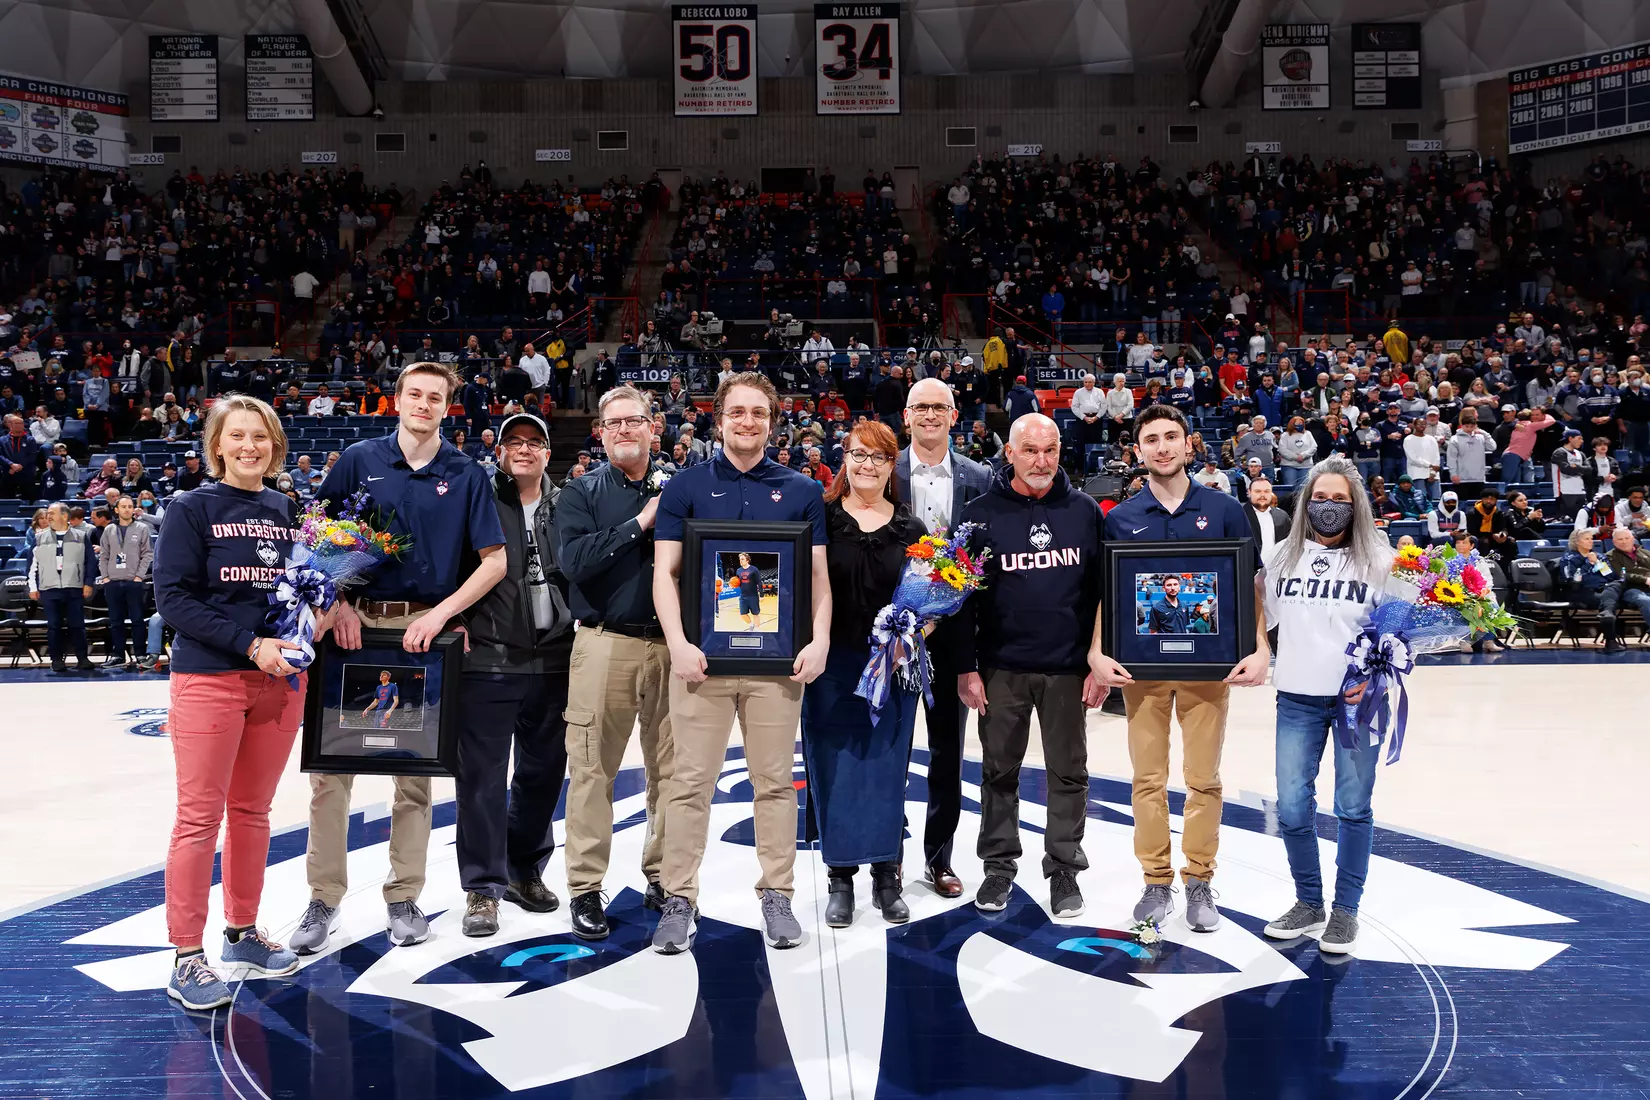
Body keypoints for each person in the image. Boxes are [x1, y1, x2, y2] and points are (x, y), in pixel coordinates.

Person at [291, 362, 508, 955]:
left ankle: (404, 894)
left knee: (415, 774)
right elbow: (313, 537)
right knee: (331, 774)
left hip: (422, 630)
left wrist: (441, 616)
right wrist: (334, 604)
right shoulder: (358, 459)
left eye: (435, 397)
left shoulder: (465, 473)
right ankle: (322, 897)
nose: (423, 404)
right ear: (397, 400)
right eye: (414, 394)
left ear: (448, 407)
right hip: (352, 625)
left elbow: (495, 561)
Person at [152, 395, 330, 1010]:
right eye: (238, 437)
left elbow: (311, 583)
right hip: (212, 678)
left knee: (253, 812)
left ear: (276, 445)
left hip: (279, 682)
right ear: (218, 446)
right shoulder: (190, 508)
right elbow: (173, 600)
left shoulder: (290, 511)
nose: (250, 446)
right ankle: (186, 956)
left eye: (261, 436)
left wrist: (318, 619)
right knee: (199, 817)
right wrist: (249, 643)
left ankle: (242, 931)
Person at [650, 371, 831, 954]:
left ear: (772, 421)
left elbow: (819, 581)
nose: (747, 421)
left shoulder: (802, 490)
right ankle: (679, 898)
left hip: (776, 666)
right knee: (688, 784)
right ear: (719, 418)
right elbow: (666, 574)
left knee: (775, 784)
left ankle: (777, 894)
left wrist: (819, 638)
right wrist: (677, 642)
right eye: (737, 412)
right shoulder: (686, 486)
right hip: (702, 663)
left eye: (759, 412)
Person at [1094, 404, 1271, 933]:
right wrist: (1096, 651)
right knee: (1147, 779)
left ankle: (1198, 879)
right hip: (1140, 673)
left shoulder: (1224, 509)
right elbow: (1106, 593)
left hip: (1208, 672)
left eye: (1172, 436)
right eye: (1152, 439)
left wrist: (1261, 648)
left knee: (1203, 779)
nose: (1163, 447)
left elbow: (1251, 585)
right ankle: (1155, 881)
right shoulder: (1120, 518)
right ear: (1138, 450)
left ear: (1189, 443)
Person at [956, 413, 1106, 918]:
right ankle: (999, 869)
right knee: (999, 772)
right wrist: (966, 667)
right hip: (1001, 668)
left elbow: (1102, 594)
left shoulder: (1085, 511)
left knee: (1069, 773)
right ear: (1010, 453)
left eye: (1050, 450)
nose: (1041, 461)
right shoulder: (978, 514)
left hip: (1067, 668)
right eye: (1030, 450)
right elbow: (961, 600)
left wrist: (1098, 663)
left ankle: (1064, 867)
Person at [1259, 456, 1396, 955]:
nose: (1330, 507)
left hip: (1356, 703)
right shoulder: (1280, 558)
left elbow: (1404, 637)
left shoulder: (1380, 562)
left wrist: (1376, 676)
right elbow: (1259, 616)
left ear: (1356, 505)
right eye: (1321, 498)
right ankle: (1309, 902)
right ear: (1305, 503)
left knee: (1352, 807)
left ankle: (1345, 912)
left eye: (1340, 500)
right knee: (1293, 808)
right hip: (1296, 695)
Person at [451, 410, 577, 937]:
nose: (524, 449)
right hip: (489, 657)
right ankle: (483, 889)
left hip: (557, 658)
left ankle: (525, 869)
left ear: (549, 452)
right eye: (514, 441)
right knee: (481, 777)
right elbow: (451, 565)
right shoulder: (476, 500)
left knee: (542, 774)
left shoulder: (569, 502)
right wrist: (455, 619)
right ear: (498, 451)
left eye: (534, 441)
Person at [557, 386, 676, 938]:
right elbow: (573, 563)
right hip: (605, 642)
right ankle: (584, 887)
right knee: (590, 772)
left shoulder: (681, 488)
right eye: (614, 423)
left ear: (655, 427)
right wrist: (639, 525)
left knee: (673, 773)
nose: (624, 430)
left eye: (635, 421)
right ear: (601, 433)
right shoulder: (580, 493)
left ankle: (663, 875)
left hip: (674, 646)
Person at [803, 421, 927, 927]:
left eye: (878, 457)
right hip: (832, 667)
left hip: (892, 668)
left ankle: (886, 874)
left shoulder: (913, 529)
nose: (867, 465)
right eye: (858, 454)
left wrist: (910, 639)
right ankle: (839, 876)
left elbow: (930, 604)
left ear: (891, 464)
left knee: (884, 770)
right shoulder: (822, 523)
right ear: (845, 458)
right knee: (834, 768)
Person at [895, 377, 992, 898]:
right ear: (905, 415)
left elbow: (988, 564)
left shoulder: (982, 477)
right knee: (886, 749)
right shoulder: (880, 472)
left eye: (940, 407)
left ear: (954, 416)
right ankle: (884, 860)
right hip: (890, 637)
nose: (930, 415)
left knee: (946, 755)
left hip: (954, 643)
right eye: (920, 407)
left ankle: (939, 859)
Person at [27, 503, 95, 674]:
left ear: (65, 516)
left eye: (52, 513)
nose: (48, 516)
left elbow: (90, 562)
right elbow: (31, 566)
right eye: (47, 513)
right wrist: (33, 587)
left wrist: (88, 583)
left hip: (74, 587)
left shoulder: (81, 536)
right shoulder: (39, 537)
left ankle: (82, 658)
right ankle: (56, 660)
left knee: (77, 625)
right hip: (49, 589)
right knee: (54, 626)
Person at [96, 495, 153, 668]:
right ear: (117, 510)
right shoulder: (109, 530)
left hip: (133, 581)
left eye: (130, 506)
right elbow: (104, 555)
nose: (127, 509)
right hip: (112, 582)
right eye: (123, 507)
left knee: (137, 620)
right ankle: (118, 655)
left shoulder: (142, 528)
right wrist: (105, 577)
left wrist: (139, 576)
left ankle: (141, 655)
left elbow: (148, 554)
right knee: (116, 621)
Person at [1601, 526, 1650, 654]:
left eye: (1627, 538)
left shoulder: (1645, 553)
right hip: (1630, 589)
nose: (1624, 541)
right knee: (1645, 600)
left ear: (1633, 539)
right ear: (1614, 542)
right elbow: (1621, 576)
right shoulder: (1610, 557)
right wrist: (1645, 579)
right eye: (1620, 539)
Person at [1244, 476, 1289, 558]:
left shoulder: (1282, 516)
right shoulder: (1240, 515)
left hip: (1277, 568)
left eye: (1266, 491)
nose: (1262, 495)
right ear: (1249, 492)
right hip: (1248, 568)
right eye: (1257, 491)